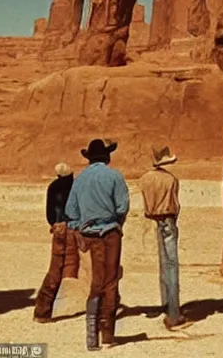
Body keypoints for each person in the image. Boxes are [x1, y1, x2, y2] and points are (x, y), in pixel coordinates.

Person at [66, 139, 129, 350]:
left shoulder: (80, 179)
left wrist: (78, 229)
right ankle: (108, 334)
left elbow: (71, 210)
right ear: (107, 157)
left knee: (96, 281)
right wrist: (118, 224)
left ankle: (91, 336)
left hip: (89, 234)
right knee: (110, 281)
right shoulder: (114, 176)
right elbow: (122, 207)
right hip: (110, 233)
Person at [138, 145, 192, 330]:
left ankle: (165, 303)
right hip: (169, 219)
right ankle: (174, 313)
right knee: (172, 265)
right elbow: (176, 204)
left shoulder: (146, 179)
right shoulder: (171, 179)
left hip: (154, 219)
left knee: (162, 263)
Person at [33, 163, 81, 323]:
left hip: (59, 229)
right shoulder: (75, 187)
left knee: (55, 269)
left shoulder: (53, 187)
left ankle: (42, 311)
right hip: (75, 228)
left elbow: (49, 212)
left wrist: (54, 225)